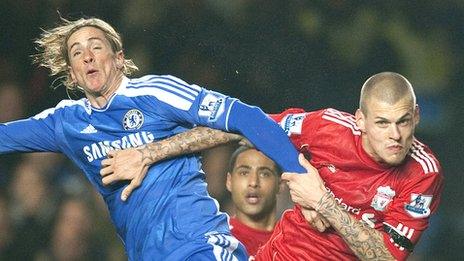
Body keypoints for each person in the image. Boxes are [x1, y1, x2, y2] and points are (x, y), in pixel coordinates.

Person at [0, 17, 307, 260]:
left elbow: (245, 116)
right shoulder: (66, 123)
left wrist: (304, 178)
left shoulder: (155, 93)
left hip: (199, 245)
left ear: (119, 58)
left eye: (96, 46)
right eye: (77, 53)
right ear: (71, 74)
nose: (88, 57)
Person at [104, 72, 443, 260]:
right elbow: (242, 126)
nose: (395, 135)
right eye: (382, 123)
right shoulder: (326, 127)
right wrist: (149, 153)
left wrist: (322, 200)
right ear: (361, 120)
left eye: (403, 122)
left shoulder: (424, 172)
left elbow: (386, 258)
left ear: (416, 117)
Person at [226, 146, 283, 256]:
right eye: (244, 173)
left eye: (264, 174)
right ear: (229, 181)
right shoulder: (217, 240)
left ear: (280, 185)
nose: (253, 182)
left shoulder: (294, 239)